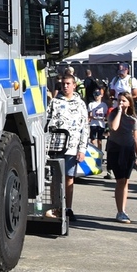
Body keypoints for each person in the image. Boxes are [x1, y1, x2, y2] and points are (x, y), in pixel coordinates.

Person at [45, 73, 89, 224]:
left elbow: (85, 128)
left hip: (72, 147)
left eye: (68, 84)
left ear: (74, 85)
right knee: (55, 178)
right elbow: (47, 123)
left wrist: (82, 149)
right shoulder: (55, 102)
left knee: (69, 178)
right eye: (63, 84)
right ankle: (55, 207)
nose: (65, 86)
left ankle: (68, 208)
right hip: (56, 147)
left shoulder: (80, 104)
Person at [106, 90, 137, 222]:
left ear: (129, 103)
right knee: (120, 180)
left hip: (128, 151)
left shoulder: (133, 119)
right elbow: (114, 127)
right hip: (116, 150)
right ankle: (120, 211)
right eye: (119, 100)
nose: (120, 102)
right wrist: (120, 111)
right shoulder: (113, 113)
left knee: (126, 181)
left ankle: (123, 210)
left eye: (123, 100)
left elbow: (136, 138)